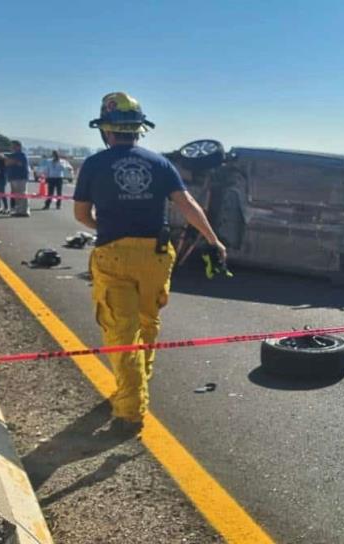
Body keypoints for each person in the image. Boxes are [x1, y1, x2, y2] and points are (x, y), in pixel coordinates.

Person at [74, 91, 227, 431]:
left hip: (113, 255)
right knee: (147, 324)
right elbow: (188, 206)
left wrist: (108, 228)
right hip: (156, 257)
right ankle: (138, 383)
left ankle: (129, 412)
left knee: (121, 331)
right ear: (138, 129)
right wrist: (214, 240)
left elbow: (81, 215)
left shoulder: (95, 164)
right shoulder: (159, 164)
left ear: (106, 130)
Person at [5, 140, 31, 217]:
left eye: (14, 146)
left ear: (18, 146)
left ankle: (25, 211)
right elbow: (7, 162)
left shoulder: (21, 155)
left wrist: (12, 161)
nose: (12, 147)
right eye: (11, 146)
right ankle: (18, 210)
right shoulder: (12, 155)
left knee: (22, 194)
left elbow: (20, 164)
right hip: (13, 177)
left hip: (20, 177)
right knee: (16, 195)